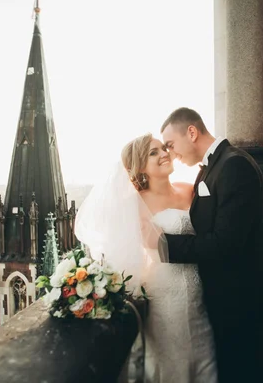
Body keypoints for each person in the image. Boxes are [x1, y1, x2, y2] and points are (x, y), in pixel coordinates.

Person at [75, 132, 218, 383]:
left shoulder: (189, 190)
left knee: (206, 360)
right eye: (154, 152)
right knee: (173, 365)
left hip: (202, 289)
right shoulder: (134, 203)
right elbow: (154, 244)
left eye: (163, 148)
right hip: (166, 292)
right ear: (140, 167)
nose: (164, 153)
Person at [161, 107, 263, 383]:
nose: (171, 153)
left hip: (237, 302)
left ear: (192, 132)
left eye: (171, 145)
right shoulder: (211, 168)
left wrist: (163, 244)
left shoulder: (234, 165)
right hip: (220, 299)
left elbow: (226, 244)